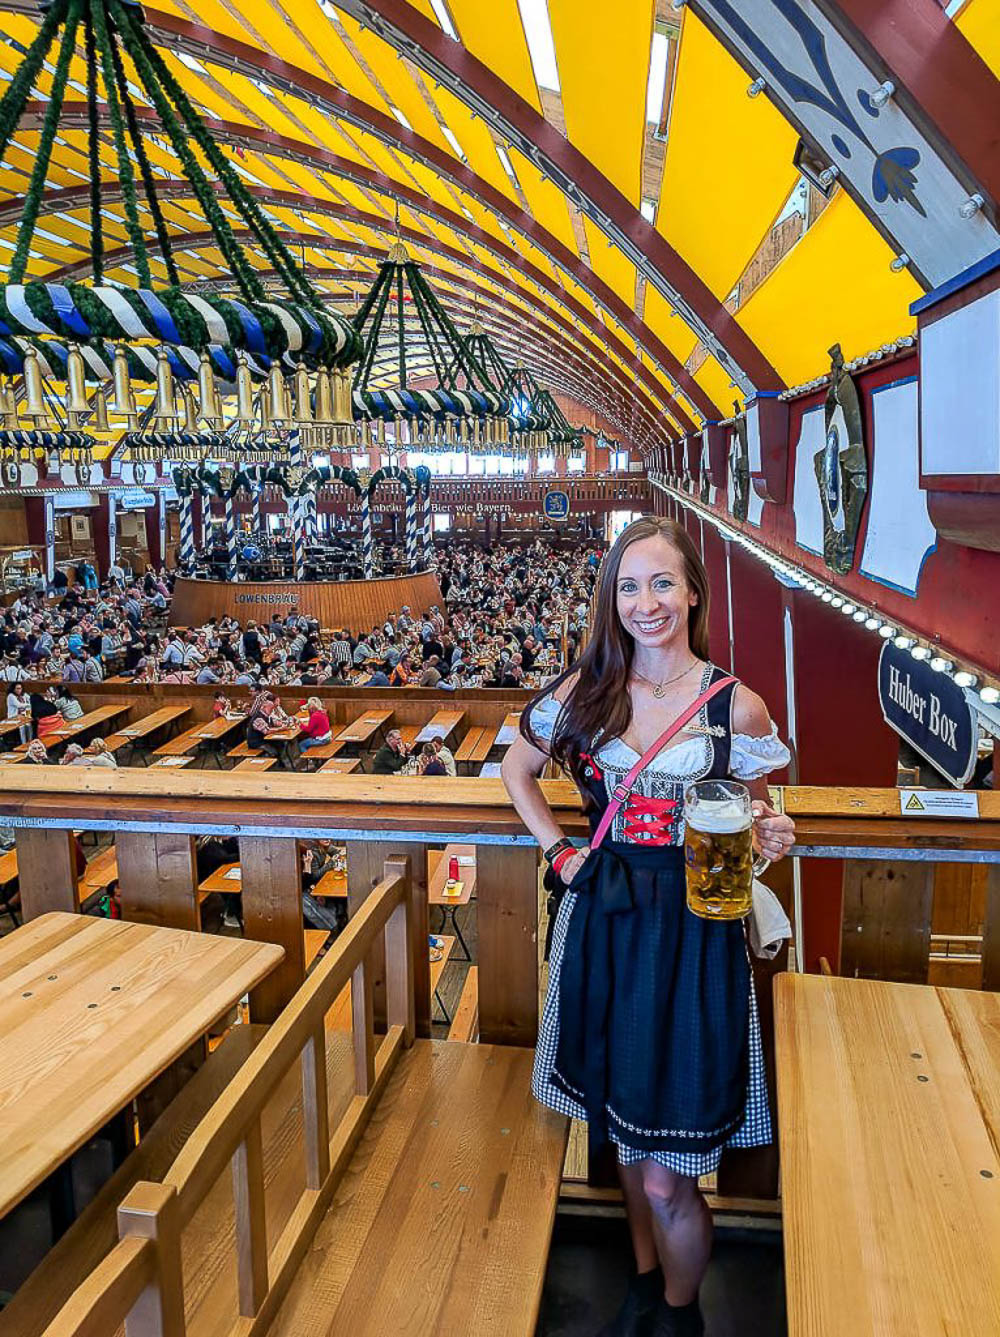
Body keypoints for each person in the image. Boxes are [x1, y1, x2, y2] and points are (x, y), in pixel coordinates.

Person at [501, 518, 795, 1337]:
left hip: (695, 937)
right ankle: (640, 1278)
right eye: (628, 587)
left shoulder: (736, 703)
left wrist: (770, 831)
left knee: (671, 1173)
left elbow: (757, 810)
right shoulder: (585, 689)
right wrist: (558, 850)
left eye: (662, 583)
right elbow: (515, 768)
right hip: (605, 920)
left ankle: (680, 1309)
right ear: (611, 599)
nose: (645, 602)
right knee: (625, 1135)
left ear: (693, 591)